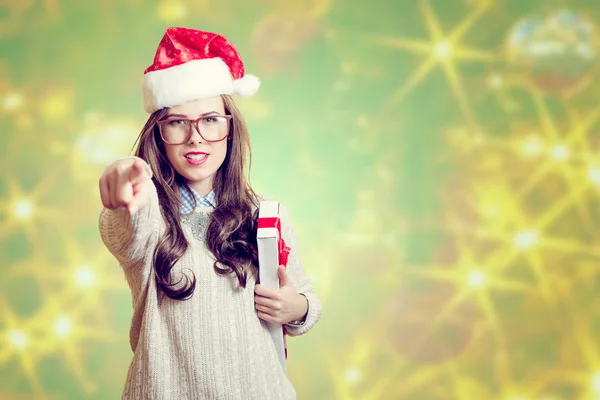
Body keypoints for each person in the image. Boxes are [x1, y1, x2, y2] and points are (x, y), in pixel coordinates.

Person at [98, 27, 321, 400]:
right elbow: (126, 230)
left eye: (210, 120)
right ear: (158, 134)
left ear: (230, 129)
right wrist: (124, 181)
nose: (195, 137)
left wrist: (296, 308)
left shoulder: (265, 214)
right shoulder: (148, 215)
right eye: (177, 122)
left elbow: (305, 300)